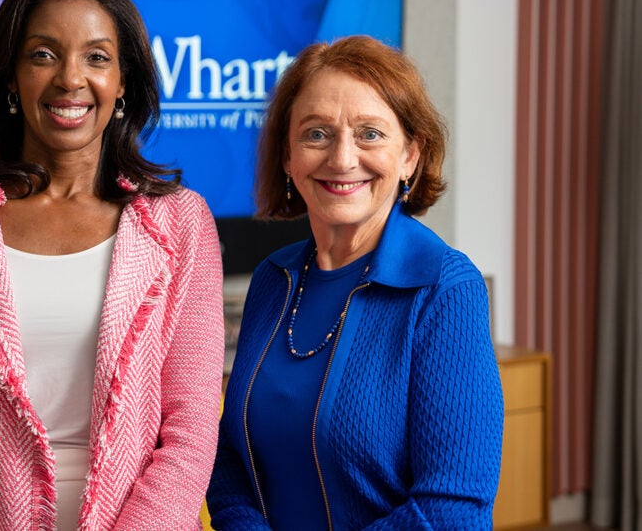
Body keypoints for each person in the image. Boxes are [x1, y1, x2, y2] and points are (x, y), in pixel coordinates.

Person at [0, 0, 225, 531]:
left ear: (123, 82)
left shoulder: (180, 223)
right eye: (44, 54)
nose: (71, 78)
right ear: (11, 77)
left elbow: (189, 429)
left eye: (96, 57)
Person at [206, 35, 504, 529]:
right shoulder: (273, 280)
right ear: (287, 156)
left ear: (410, 155)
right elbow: (231, 456)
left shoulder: (445, 289)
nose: (342, 159)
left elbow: (453, 510)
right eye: (317, 134)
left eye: (370, 134)